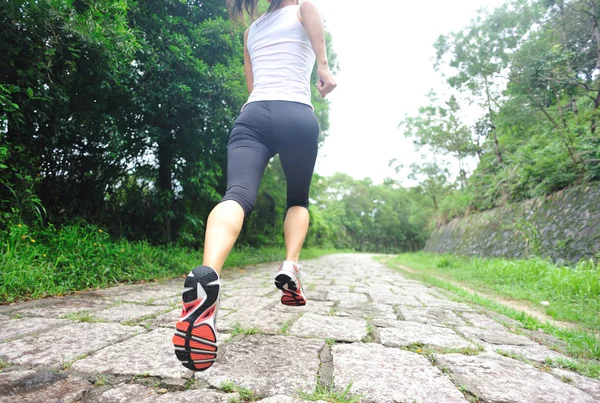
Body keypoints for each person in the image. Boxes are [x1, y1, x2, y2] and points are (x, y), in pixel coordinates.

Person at [172, 0, 336, 372]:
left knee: (237, 195)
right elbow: (319, 50)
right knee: (297, 198)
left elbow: (253, 87)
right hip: (296, 112)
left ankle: (209, 274)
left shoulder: (251, 31)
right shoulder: (305, 7)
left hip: (253, 115)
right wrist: (325, 70)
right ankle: (290, 266)